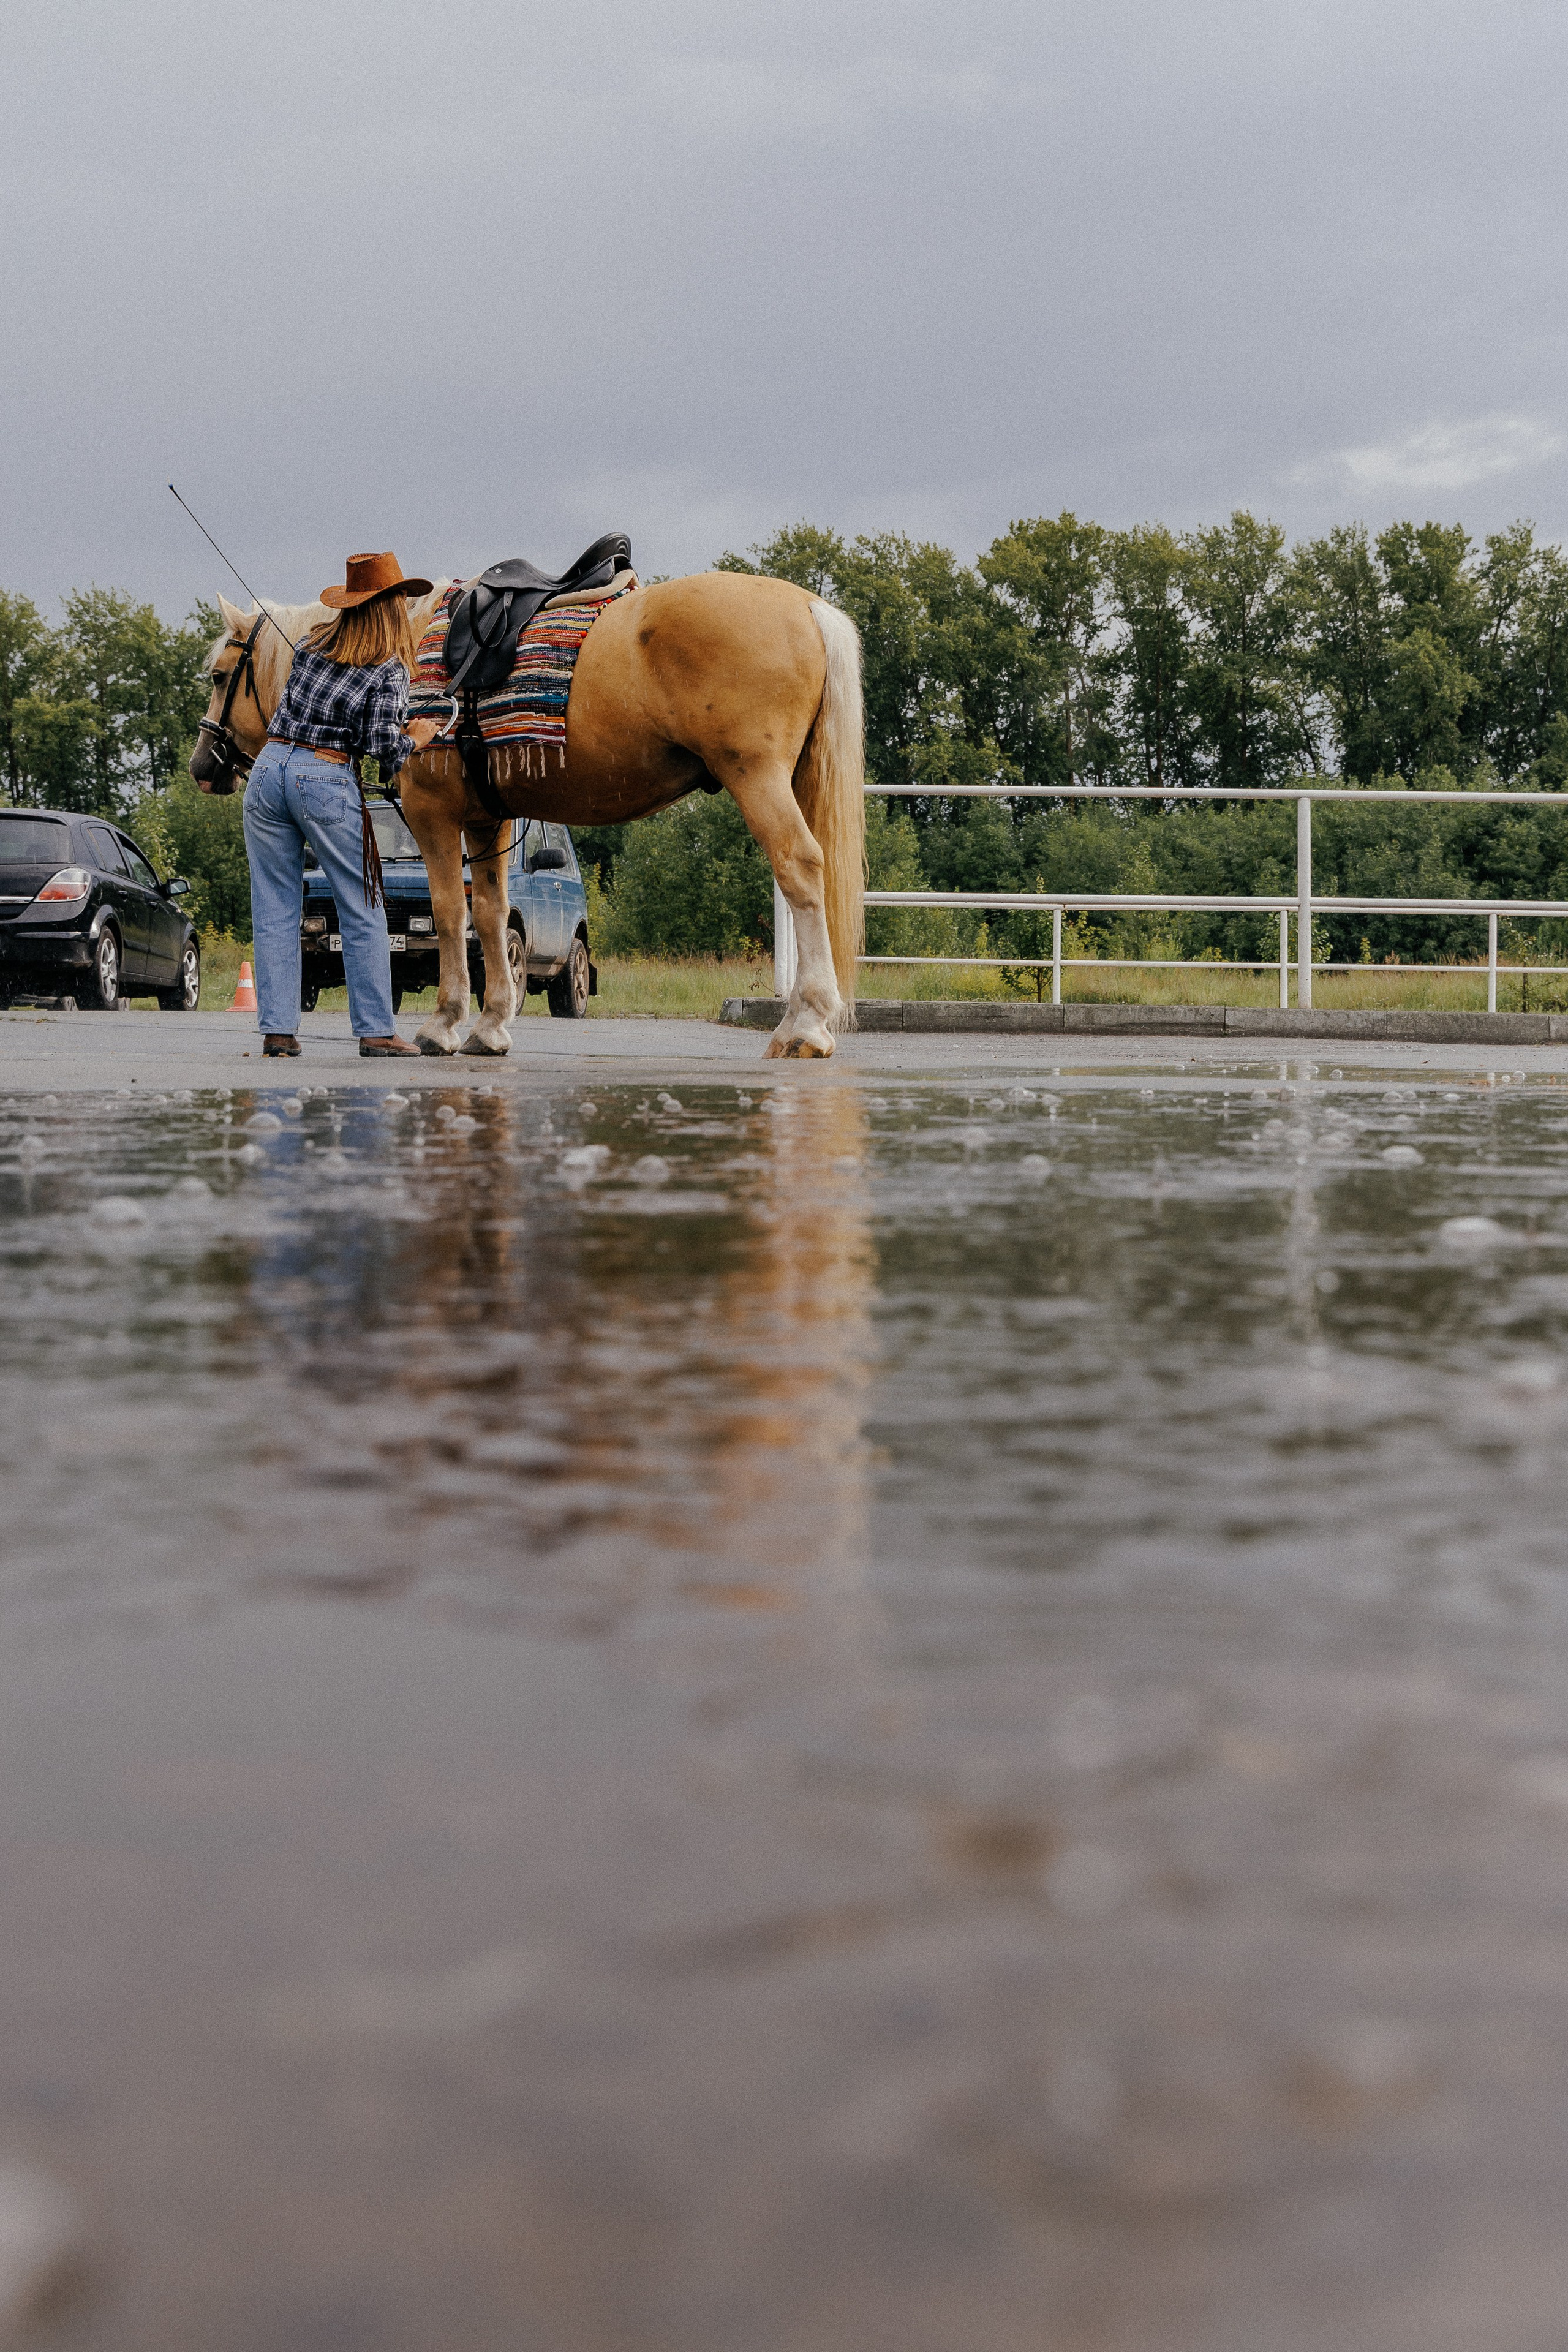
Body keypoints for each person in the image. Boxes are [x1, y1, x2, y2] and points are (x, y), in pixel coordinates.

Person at [242, 551, 440, 1058]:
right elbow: (383, 749)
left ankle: (278, 1032)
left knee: (275, 909)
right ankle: (375, 1031)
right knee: (362, 905)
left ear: (351, 604)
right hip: (324, 778)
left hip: (268, 768)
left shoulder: (309, 644)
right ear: (392, 608)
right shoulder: (389, 669)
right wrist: (417, 736)